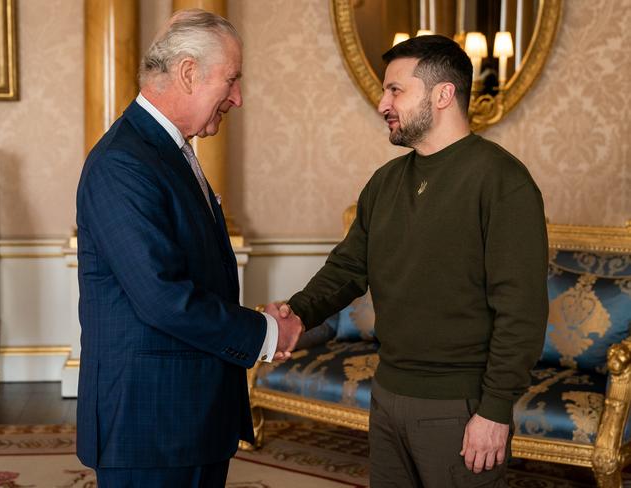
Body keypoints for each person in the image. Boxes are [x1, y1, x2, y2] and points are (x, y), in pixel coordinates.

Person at [279, 35, 548, 487]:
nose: (382, 102)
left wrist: (495, 410)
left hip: (460, 406)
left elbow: (521, 310)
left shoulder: (502, 180)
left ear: (443, 94)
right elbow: (346, 269)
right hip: (387, 394)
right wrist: (296, 314)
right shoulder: (384, 182)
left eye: (395, 90)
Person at [75, 9, 302, 487]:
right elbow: (162, 298)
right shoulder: (123, 162)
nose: (238, 98)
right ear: (188, 72)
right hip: (148, 425)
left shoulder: (168, 150)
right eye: (232, 80)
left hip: (188, 418)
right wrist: (264, 332)